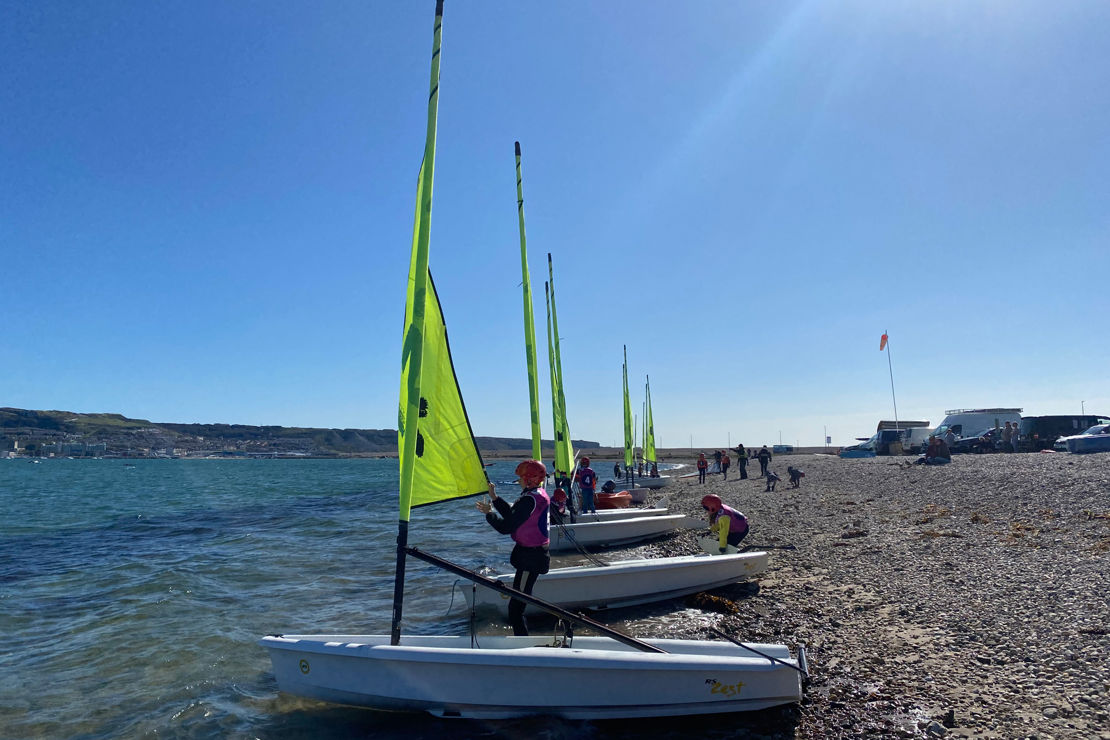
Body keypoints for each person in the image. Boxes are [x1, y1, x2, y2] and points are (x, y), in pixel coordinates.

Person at [476, 459, 551, 635]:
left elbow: (506, 527)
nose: (518, 481)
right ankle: (522, 643)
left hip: (531, 559)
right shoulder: (536, 494)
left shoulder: (529, 500)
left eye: (521, 478)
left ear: (529, 479)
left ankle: (523, 648)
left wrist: (489, 514)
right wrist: (494, 498)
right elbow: (512, 514)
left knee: (516, 609)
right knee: (517, 606)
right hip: (532, 555)